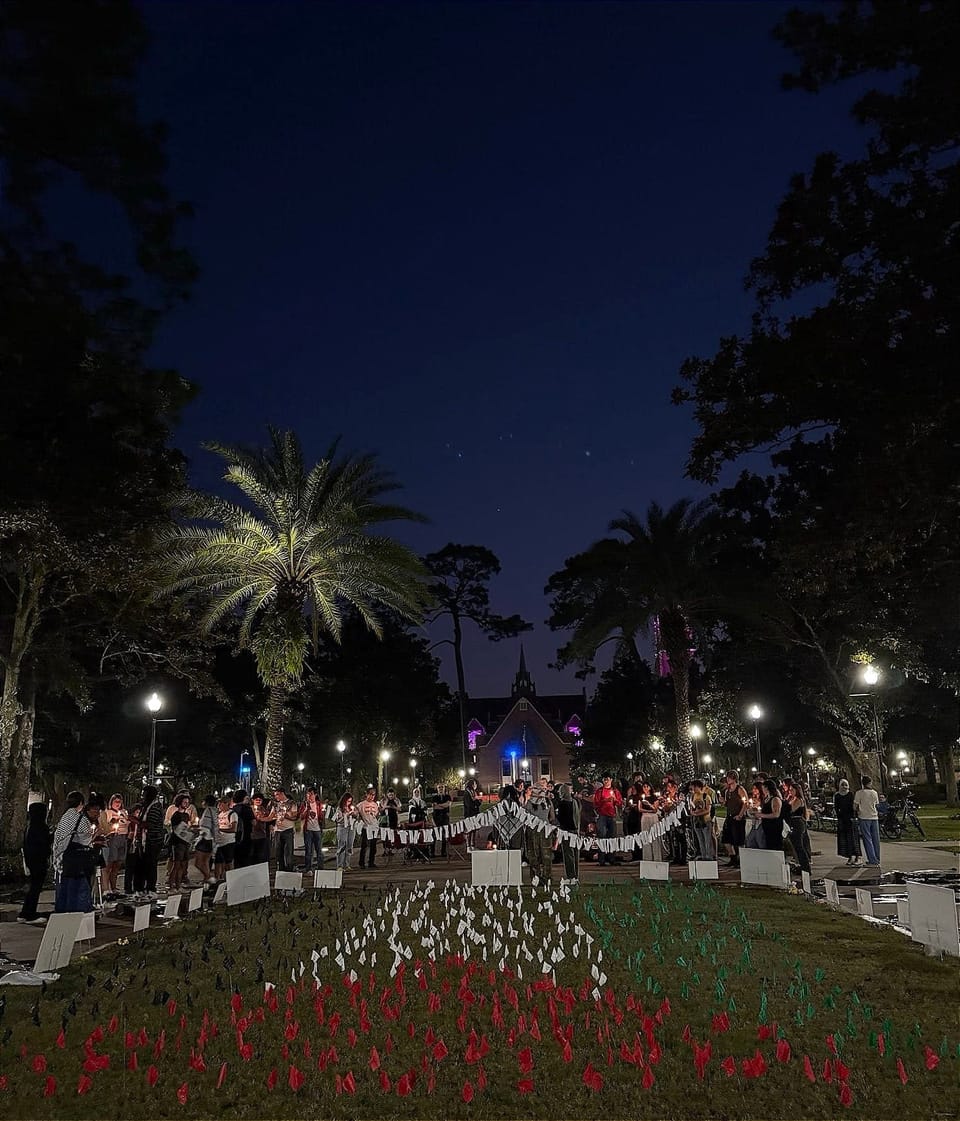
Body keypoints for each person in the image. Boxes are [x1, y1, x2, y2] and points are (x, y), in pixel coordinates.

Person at [53, 792, 102, 913]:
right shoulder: (80, 818)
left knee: (65, 886)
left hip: (62, 856)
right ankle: (79, 910)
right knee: (79, 886)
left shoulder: (64, 817)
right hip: (76, 858)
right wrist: (97, 834)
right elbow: (86, 840)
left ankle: (63, 909)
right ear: (81, 803)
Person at [19, 801, 52, 924]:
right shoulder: (40, 827)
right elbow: (44, 844)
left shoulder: (30, 827)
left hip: (32, 861)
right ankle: (30, 914)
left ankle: (25, 912)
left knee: (32, 888)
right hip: (39, 862)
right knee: (35, 888)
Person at [99, 794, 129, 900]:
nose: (117, 804)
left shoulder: (124, 812)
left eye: (119, 802)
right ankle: (106, 889)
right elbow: (105, 826)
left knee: (117, 864)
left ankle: (114, 887)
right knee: (109, 863)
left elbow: (127, 823)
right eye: (115, 802)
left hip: (123, 837)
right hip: (113, 838)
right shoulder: (107, 813)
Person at [140, 786, 165, 897]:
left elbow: (151, 823)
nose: (142, 796)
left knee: (151, 864)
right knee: (146, 864)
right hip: (147, 839)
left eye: (144, 794)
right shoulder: (146, 806)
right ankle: (146, 886)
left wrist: (137, 822)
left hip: (153, 839)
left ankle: (151, 887)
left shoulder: (155, 807)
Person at [593, 774, 622, 866]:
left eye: (608, 779)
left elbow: (620, 802)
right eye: (605, 780)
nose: (606, 781)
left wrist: (615, 800)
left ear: (611, 780)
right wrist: (605, 801)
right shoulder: (599, 791)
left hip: (611, 816)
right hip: (602, 816)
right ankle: (602, 860)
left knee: (612, 838)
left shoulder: (615, 791)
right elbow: (596, 804)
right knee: (602, 838)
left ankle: (611, 858)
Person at [553, 782, 580, 885]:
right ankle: (576, 876)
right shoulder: (574, 802)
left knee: (568, 855)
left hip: (566, 831)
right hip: (575, 831)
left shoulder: (562, 804)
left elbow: (560, 819)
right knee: (575, 854)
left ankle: (571, 876)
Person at [720, 771, 748, 867]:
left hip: (738, 817)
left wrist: (740, 815)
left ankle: (742, 859)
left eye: (730, 778)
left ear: (735, 779)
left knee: (739, 840)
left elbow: (745, 802)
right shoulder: (728, 791)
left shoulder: (740, 789)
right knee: (726, 839)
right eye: (727, 777)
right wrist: (723, 802)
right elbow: (727, 804)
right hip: (729, 817)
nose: (728, 779)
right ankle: (733, 858)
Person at [783, 779, 812, 875]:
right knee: (795, 846)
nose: (790, 791)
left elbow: (790, 810)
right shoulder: (791, 799)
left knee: (799, 846)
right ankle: (800, 865)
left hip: (797, 823)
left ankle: (806, 867)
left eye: (792, 790)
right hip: (792, 823)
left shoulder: (799, 800)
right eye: (789, 789)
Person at [168, 793, 195, 889]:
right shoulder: (176, 815)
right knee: (176, 864)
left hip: (185, 842)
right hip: (178, 842)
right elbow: (176, 830)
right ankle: (172, 886)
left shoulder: (186, 815)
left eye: (188, 802)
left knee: (183, 865)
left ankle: (178, 885)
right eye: (184, 802)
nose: (186, 804)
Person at [853, 775, 881, 866]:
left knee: (867, 839)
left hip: (864, 817)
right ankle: (877, 858)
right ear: (870, 782)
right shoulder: (874, 793)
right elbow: (876, 804)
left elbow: (855, 806)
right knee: (875, 839)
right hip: (874, 817)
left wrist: (858, 810)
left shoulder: (859, 793)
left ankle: (872, 859)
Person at [194, 794, 221, 885]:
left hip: (205, 839)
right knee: (205, 862)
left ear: (206, 802)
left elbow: (205, 827)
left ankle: (209, 878)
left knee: (198, 863)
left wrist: (198, 834)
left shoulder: (207, 811)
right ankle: (206, 880)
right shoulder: (215, 811)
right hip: (211, 840)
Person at [834, 778, 862, 865]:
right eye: (842, 785)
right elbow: (836, 807)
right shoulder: (837, 795)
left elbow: (853, 806)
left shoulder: (850, 794)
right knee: (845, 839)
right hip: (842, 819)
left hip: (850, 819)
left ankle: (858, 856)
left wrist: (854, 816)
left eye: (846, 785)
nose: (844, 787)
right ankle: (850, 857)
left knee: (853, 838)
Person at [271, 787, 298, 872]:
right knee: (278, 852)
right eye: (275, 795)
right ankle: (281, 870)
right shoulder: (276, 805)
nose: (276, 797)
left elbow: (294, 817)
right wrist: (261, 818)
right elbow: (271, 816)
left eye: (277, 795)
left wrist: (286, 816)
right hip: (278, 830)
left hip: (288, 830)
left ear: (282, 793)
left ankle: (289, 869)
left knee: (288, 852)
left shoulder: (292, 803)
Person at [300, 786, 326, 872]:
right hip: (308, 830)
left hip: (317, 830)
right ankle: (308, 868)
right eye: (308, 794)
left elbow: (322, 817)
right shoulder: (304, 804)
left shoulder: (319, 805)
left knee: (319, 849)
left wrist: (323, 812)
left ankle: (320, 868)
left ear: (315, 795)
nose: (309, 796)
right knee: (308, 850)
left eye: (311, 794)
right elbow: (301, 816)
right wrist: (306, 809)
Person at [690, 779, 714, 860]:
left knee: (707, 840)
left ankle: (709, 856)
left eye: (694, 787)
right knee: (700, 840)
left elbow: (708, 810)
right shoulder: (693, 796)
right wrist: (693, 813)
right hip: (697, 821)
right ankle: (703, 856)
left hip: (705, 821)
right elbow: (691, 808)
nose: (693, 789)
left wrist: (698, 813)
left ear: (699, 787)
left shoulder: (706, 796)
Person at [357, 786, 381, 868]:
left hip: (374, 827)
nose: (372, 797)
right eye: (370, 794)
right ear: (366, 794)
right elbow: (357, 813)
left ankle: (371, 862)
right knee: (364, 845)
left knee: (373, 846)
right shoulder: (361, 805)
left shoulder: (375, 805)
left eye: (373, 795)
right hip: (366, 827)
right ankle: (361, 862)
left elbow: (376, 815)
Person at [758, 778, 784, 851]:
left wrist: (761, 815)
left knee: (775, 845)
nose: (762, 790)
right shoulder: (766, 799)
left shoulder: (775, 799)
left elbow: (776, 814)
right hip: (767, 827)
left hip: (774, 826)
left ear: (767, 788)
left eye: (763, 788)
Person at [214, 795, 236, 878]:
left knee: (228, 862)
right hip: (219, 842)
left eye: (221, 804)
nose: (219, 806)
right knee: (218, 862)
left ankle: (230, 879)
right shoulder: (219, 814)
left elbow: (233, 829)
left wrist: (220, 830)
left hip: (228, 842)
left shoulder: (232, 814)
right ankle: (218, 879)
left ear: (227, 804)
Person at [250, 793, 275, 865]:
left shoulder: (263, 809)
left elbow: (269, 818)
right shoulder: (250, 808)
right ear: (253, 800)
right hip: (252, 834)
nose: (258, 801)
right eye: (256, 800)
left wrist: (262, 819)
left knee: (261, 854)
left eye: (260, 800)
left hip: (262, 834)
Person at [334, 792, 356, 870]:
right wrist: (346, 815)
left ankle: (347, 864)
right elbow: (338, 820)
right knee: (342, 845)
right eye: (347, 801)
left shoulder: (351, 807)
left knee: (349, 845)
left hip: (351, 827)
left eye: (350, 801)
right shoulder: (339, 809)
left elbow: (356, 817)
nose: (348, 803)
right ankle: (339, 865)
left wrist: (354, 814)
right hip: (342, 827)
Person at [639, 782, 660, 862]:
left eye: (646, 786)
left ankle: (657, 857)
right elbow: (640, 809)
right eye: (644, 787)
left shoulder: (654, 797)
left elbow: (655, 809)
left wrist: (649, 805)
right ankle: (647, 858)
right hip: (645, 816)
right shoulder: (641, 798)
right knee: (645, 836)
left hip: (653, 817)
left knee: (654, 836)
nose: (645, 788)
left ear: (650, 787)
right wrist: (647, 810)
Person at [430, 783, 452, 858]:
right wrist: (444, 806)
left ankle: (444, 852)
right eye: (439, 787)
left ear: (444, 788)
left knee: (445, 835)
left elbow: (448, 804)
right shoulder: (434, 797)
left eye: (442, 787)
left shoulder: (447, 796)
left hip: (445, 818)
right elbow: (435, 807)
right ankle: (432, 852)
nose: (441, 789)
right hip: (436, 818)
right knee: (434, 835)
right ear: (437, 789)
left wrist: (439, 805)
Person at [463, 779, 482, 851]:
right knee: (469, 830)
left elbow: (476, 802)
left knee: (474, 830)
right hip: (469, 814)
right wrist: (477, 802)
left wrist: (477, 801)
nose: (476, 785)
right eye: (475, 784)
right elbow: (469, 804)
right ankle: (468, 846)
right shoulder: (467, 793)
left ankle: (473, 845)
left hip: (474, 814)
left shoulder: (473, 793)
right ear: (472, 785)